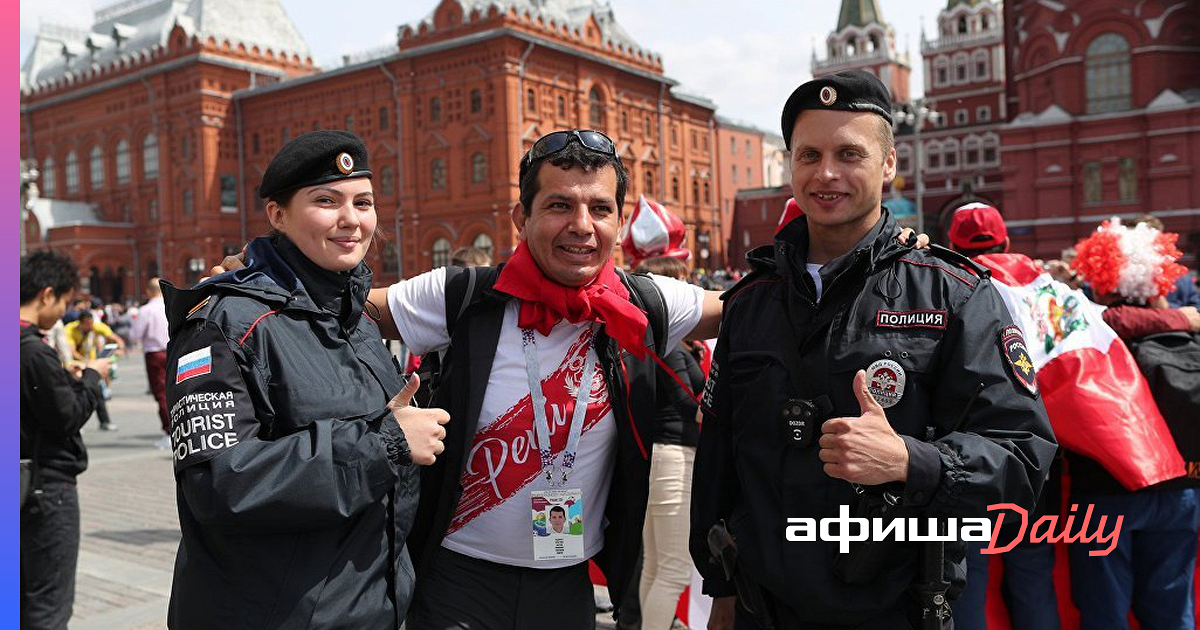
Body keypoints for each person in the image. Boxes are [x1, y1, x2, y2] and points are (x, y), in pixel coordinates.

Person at [691, 70, 1057, 630]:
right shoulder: (752, 301)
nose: (826, 173)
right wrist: (719, 593)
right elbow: (719, 459)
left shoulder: (954, 293)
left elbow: (1023, 461)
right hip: (761, 610)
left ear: (888, 164)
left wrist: (913, 461)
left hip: (896, 611)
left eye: (849, 153)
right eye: (809, 154)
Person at [376, 129, 719, 629]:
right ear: (522, 217)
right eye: (560, 205)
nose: (581, 226)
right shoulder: (464, 293)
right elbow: (347, 310)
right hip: (457, 582)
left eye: (600, 209)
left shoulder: (640, 301)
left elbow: (747, 309)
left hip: (567, 584)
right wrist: (259, 280)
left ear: (619, 224)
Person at [161, 131, 448, 629]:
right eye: (325, 201)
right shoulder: (223, 323)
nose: (351, 220)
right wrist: (383, 445)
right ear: (277, 215)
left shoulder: (350, 315)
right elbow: (218, 485)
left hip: (364, 610)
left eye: (364, 202)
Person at [1066, 218, 1200, 630]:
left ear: (1103, 281)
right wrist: (1180, 317)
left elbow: (1105, 320)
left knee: (1104, 610)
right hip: (1182, 488)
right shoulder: (1188, 332)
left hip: (1107, 490)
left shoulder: (1089, 331)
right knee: (1171, 607)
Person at [944, 202, 1061, 630]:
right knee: (1033, 581)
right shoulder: (1052, 293)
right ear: (1007, 241)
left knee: (966, 582)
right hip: (1035, 467)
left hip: (967, 464)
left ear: (952, 244)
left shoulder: (947, 286)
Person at [21, 250, 110, 630]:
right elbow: (66, 417)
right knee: (47, 606)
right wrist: (92, 376)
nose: (64, 311)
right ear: (46, 294)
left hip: (21, 483)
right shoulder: (33, 352)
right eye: (64, 302)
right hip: (45, 489)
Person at [635, 256, 706, 630]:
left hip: (659, 454)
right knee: (675, 568)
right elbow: (689, 406)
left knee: (658, 563)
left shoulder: (659, 339)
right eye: (683, 283)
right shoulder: (671, 344)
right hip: (673, 454)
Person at [129, 277, 171, 447]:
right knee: (176, 389)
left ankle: (169, 431)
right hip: (173, 350)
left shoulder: (146, 310)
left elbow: (135, 336)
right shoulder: (171, 305)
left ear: (148, 291)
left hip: (154, 353)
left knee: (161, 392)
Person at [64, 310, 122, 431]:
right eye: (87, 324)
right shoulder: (69, 330)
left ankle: (105, 422)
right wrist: (85, 363)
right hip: (74, 366)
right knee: (74, 395)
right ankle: (75, 425)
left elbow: (116, 339)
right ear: (80, 323)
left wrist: (119, 348)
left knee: (97, 392)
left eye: (91, 323)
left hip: (90, 364)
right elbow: (72, 351)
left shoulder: (96, 326)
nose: (90, 326)